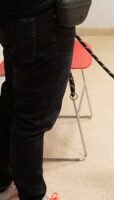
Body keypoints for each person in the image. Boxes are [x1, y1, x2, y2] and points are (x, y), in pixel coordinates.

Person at [0, 0, 75, 199]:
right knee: (33, 116)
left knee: (14, 100)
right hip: (41, 19)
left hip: (17, 19)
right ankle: (32, 195)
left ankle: (3, 181)